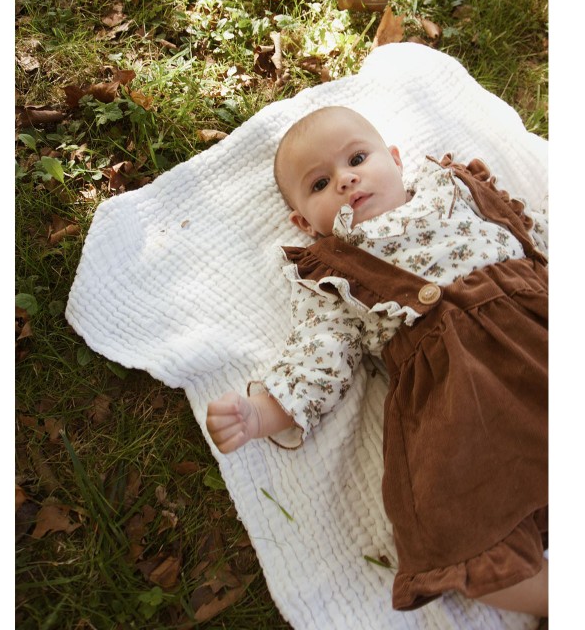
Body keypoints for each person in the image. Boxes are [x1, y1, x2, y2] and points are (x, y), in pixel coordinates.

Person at [206, 106, 548, 616]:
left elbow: (533, 233)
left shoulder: (456, 188)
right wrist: (261, 412)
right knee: (452, 532)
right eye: (320, 183)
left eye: (357, 159)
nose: (345, 180)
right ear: (304, 223)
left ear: (395, 160)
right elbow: (320, 354)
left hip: (537, 326)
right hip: (457, 396)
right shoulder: (334, 273)